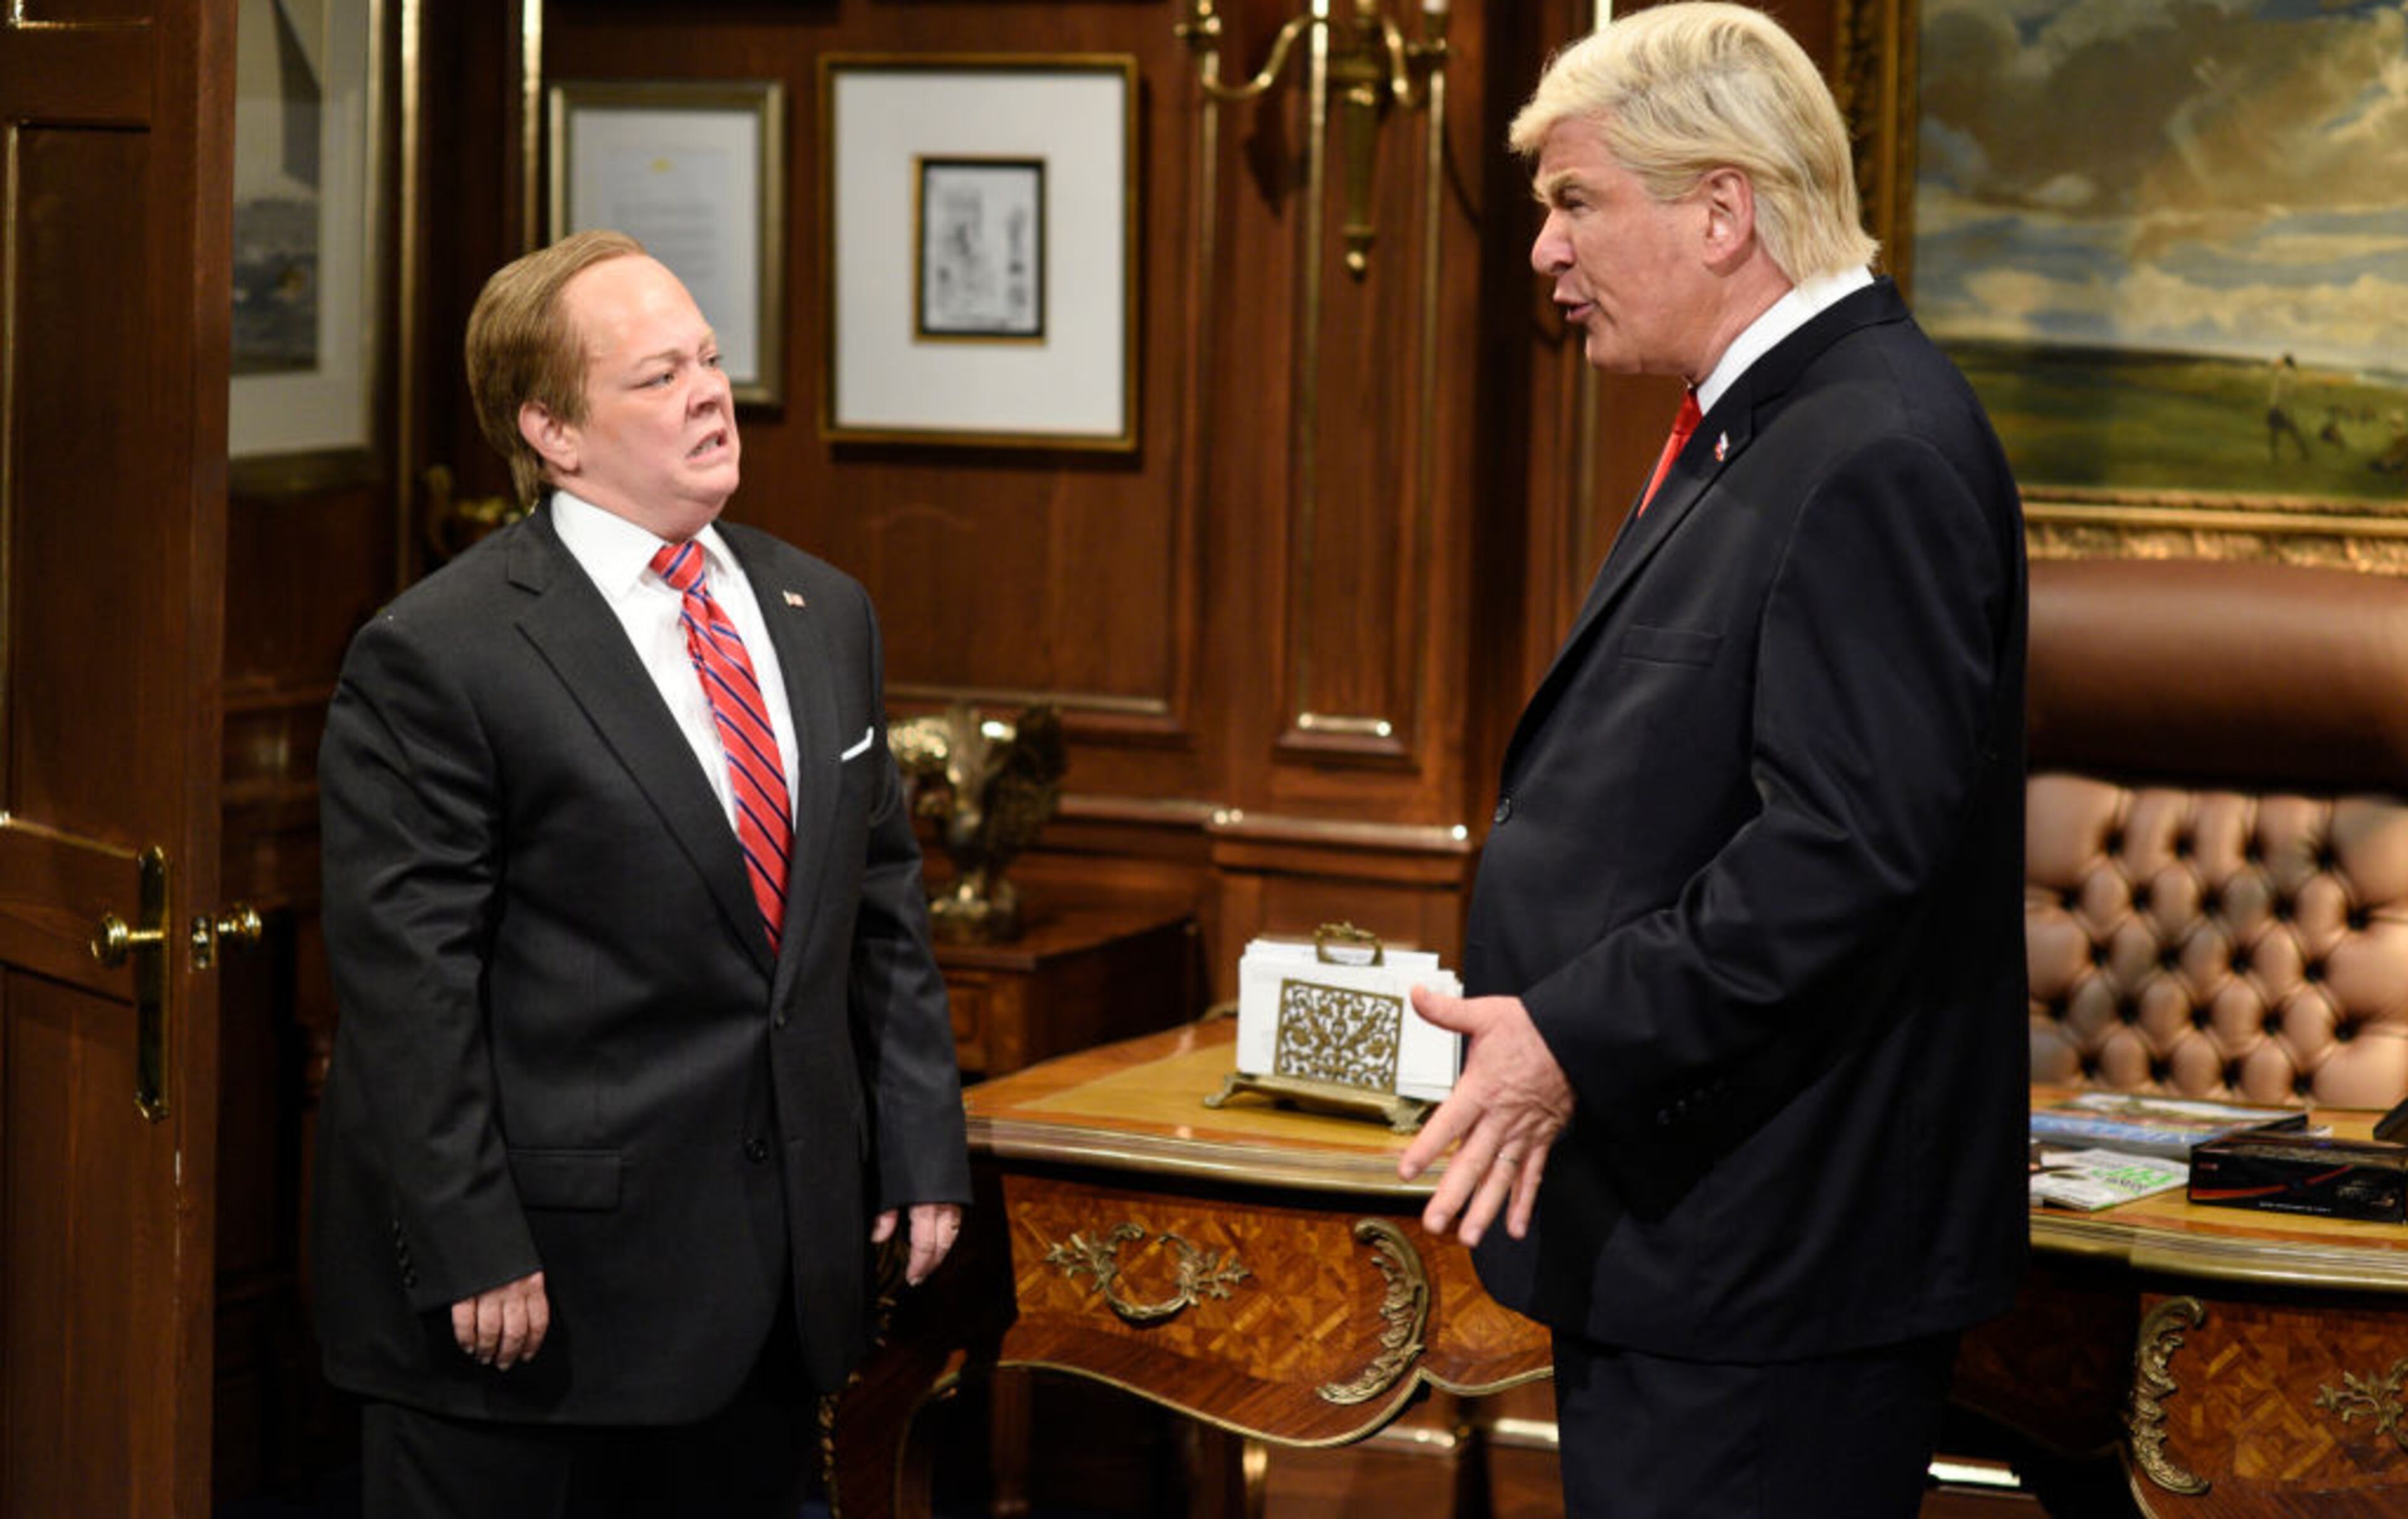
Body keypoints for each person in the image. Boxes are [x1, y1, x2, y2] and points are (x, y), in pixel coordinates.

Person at [1397, 8, 2028, 1516]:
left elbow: (1841, 857)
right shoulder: (1769, 426)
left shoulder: (1871, 447)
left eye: (1574, 202)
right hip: (1696, 1238)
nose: (1544, 251)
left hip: (1776, 1265)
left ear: (1723, 208)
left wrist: (1570, 1039)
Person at [311, 229, 971, 1519]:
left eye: (711, 361)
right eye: (659, 377)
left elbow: (880, 901)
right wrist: (470, 1243)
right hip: (538, 1315)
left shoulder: (822, 609)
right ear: (552, 430)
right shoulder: (440, 653)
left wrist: (919, 1138)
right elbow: (410, 995)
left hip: (776, 1300)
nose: (709, 396)